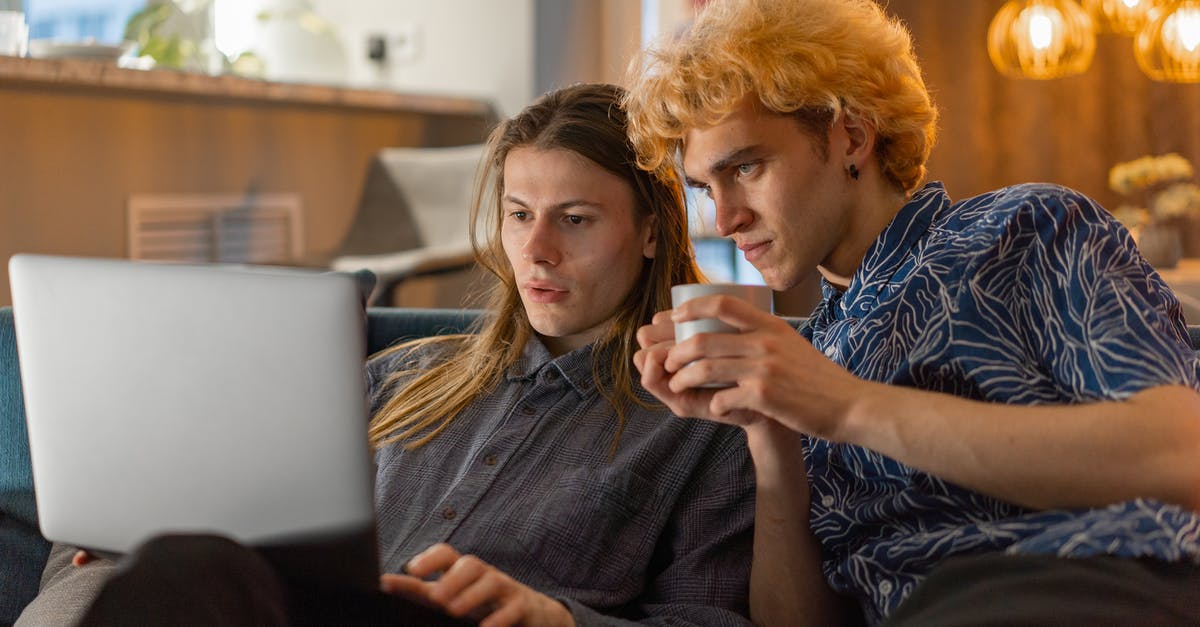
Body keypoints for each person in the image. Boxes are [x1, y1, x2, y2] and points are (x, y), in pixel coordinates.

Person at [17, 83, 755, 627]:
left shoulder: (704, 419)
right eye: (520, 216)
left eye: (575, 219)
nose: (536, 251)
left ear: (652, 230)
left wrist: (555, 617)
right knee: (165, 566)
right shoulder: (401, 376)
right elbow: (258, 507)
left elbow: (714, 617)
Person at [622, 1, 1200, 625]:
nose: (726, 216)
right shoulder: (803, 354)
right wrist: (770, 432)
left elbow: (1179, 452)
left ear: (851, 135)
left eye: (746, 167)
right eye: (707, 187)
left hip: (1093, 587)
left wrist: (842, 405)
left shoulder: (1021, 228)